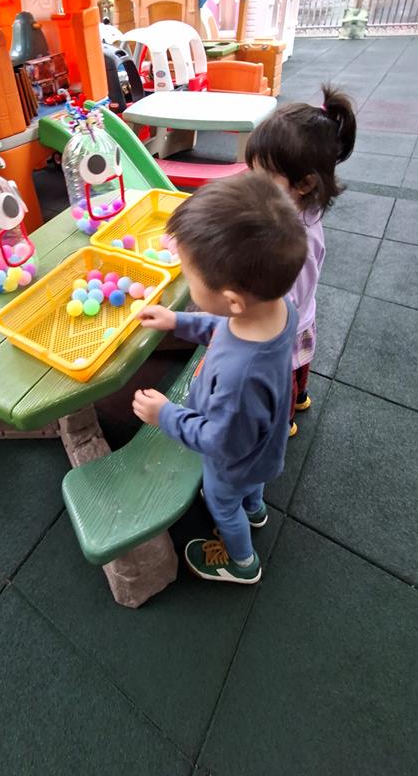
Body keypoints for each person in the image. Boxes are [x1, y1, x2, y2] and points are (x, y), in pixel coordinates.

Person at [132, 171, 307, 585]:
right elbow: (222, 327)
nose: (187, 281)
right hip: (263, 447)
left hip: (233, 463)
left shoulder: (239, 377)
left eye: (190, 277)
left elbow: (220, 441)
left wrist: (165, 415)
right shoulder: (277, 309)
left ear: (232, 299)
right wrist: (178, 320)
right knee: (249, 489)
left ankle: (242, 563)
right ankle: (255, 509)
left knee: (222, 505)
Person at [245, 85, 356, 436]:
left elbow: (284, 302)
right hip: (302, 320)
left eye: (264, 176)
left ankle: (285, 418)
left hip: (285, 329)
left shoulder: (297, 242)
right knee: (299, 367)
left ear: (304, 183)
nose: (253, 183)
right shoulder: (298, 207)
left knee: (283, 377)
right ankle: (303, 395)